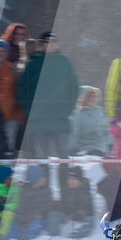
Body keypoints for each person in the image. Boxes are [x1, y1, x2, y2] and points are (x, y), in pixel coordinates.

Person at [18, 31, 79, 165]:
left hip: (60, 118)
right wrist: (30, 110)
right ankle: (42, 185)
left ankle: (66, 184)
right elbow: (23, 89)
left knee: (64, 156)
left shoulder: (65, 63)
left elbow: (74, 88)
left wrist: (68, 109)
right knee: (41, 158)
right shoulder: (33, 63)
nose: (51, 44)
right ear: (42, 45)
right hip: (39, 119)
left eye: (54, 41)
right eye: (48, 41)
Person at [69, 86, 110, 157]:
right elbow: (74, 133)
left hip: (99, 148)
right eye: (90, 96)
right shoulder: (78, 114)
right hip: (81, 149)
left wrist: (109, 146)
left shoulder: (100, 111)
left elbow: (106, 131)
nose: (94, 99)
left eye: (95, 96)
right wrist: (73, 148)